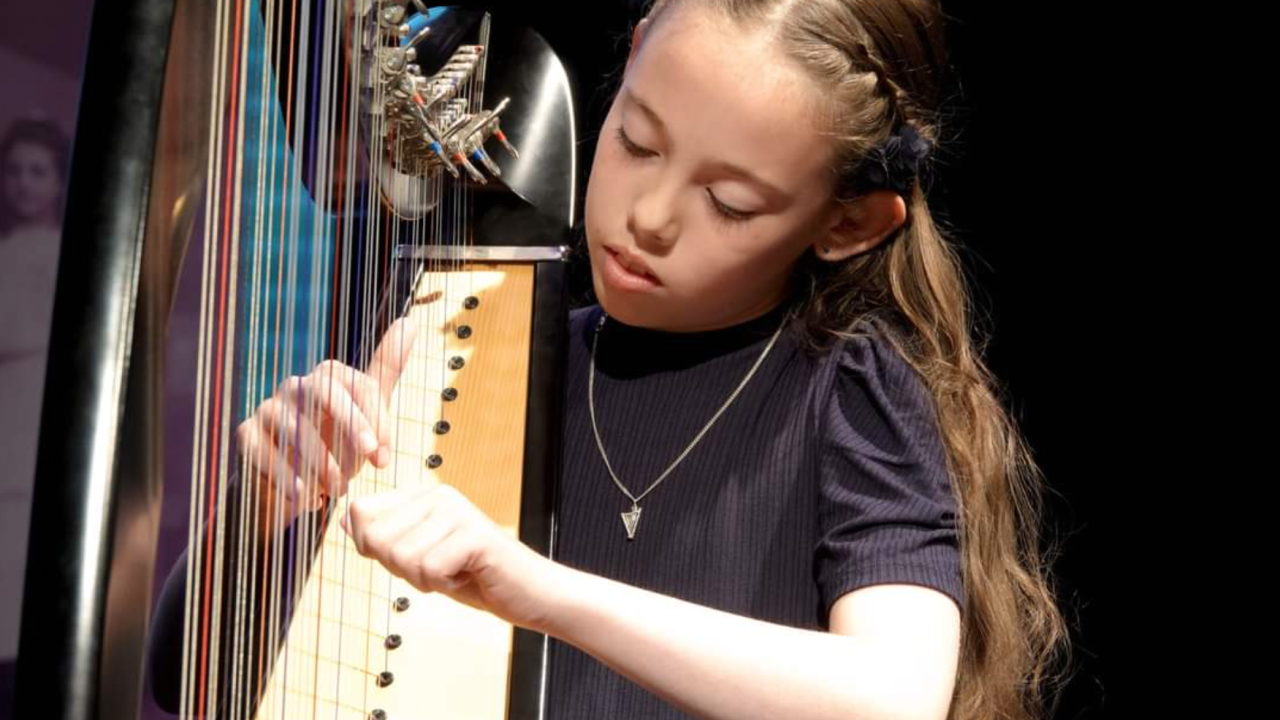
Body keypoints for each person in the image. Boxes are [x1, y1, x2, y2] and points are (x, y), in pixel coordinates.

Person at [149, 1, 1069, 718]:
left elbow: (893, 698)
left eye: (732, 203)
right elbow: (185, 679)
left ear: (845, 224)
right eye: (637, 142)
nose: (651, 216)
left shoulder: (849, 389)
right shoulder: (482, 358)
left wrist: (540, 591)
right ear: (628, 63)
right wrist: (260, 507)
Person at [0, 115, 69, 679]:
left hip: (34, 432)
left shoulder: (62, 257)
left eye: (37, 171)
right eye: (15, 171)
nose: (23, 183)